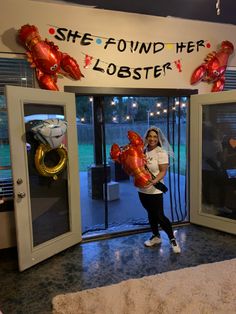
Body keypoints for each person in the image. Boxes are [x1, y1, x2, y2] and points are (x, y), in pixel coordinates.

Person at [138, 126, 181, 253]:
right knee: (150, 214)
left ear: (158, 139)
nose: (152, 139)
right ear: (146, 138)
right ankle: (156, 236)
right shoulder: (142, 151)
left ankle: (172, 239)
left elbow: (163, 172)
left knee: (160, 216)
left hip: (155, 190)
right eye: (150, 136)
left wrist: (153, 181)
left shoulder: (161, 152)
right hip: (142, 190)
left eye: (155, 137)